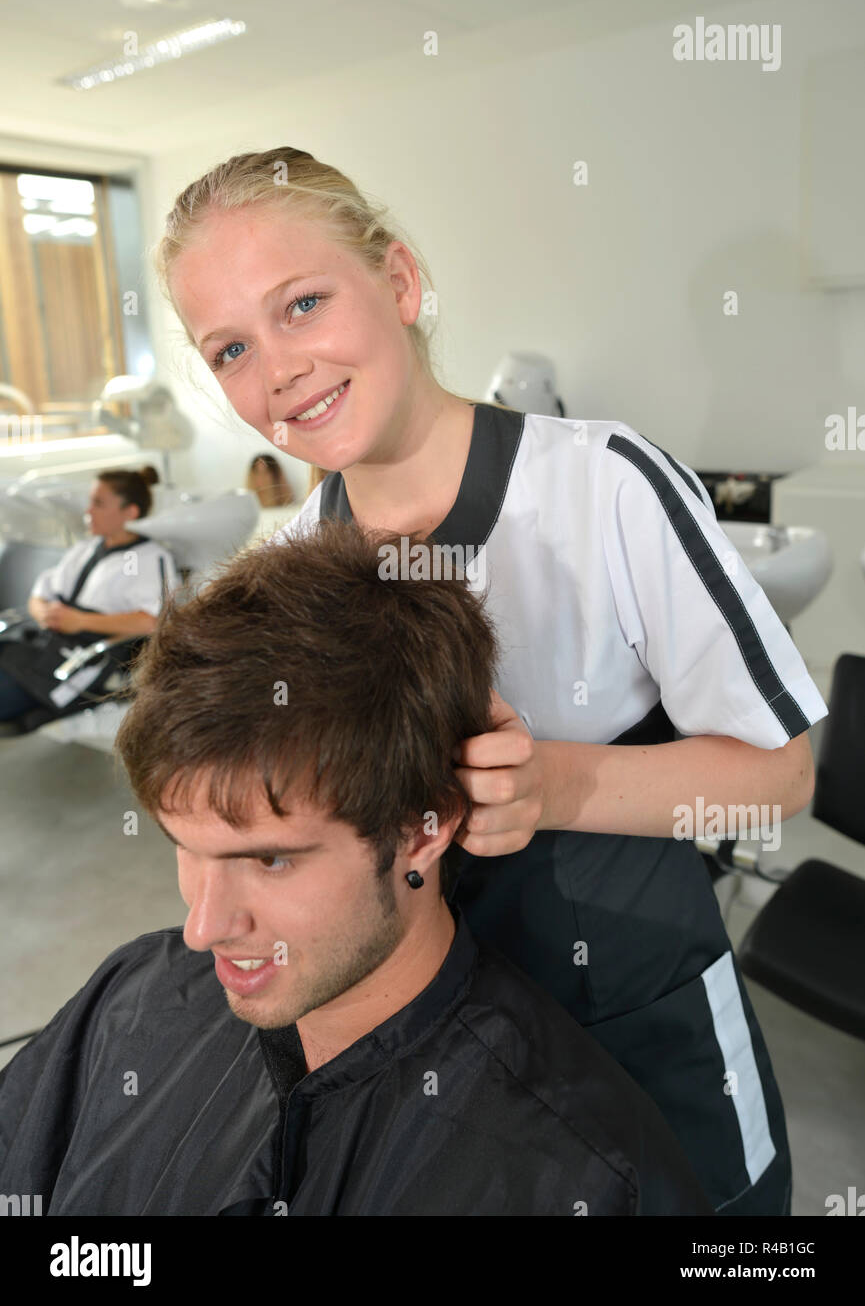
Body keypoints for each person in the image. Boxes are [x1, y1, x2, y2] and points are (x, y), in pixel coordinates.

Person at [156, 146, 827, 1216]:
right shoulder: (292, 562)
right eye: (230, 347)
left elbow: (781, 774)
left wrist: (552, 786)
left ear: (402, 282)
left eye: (304, 303)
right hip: (436, 1037)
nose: (277, 369)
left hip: (635, 1006)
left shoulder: (599, 483)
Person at [0, 521, 712, 1216]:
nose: (202, 927)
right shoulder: (133, 996)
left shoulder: (582, 1173)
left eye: (271, 859)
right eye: (185, 848)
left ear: (424, 827)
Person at [0, 466, 180, 726]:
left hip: (77, 664)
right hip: (40, 647)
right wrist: (44, 614)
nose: (88, 511)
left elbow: (151, 620)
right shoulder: (85, 548)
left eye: (98, 503)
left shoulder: (141, 558)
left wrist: (80, 621)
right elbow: (40, 593)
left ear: (129, 512)